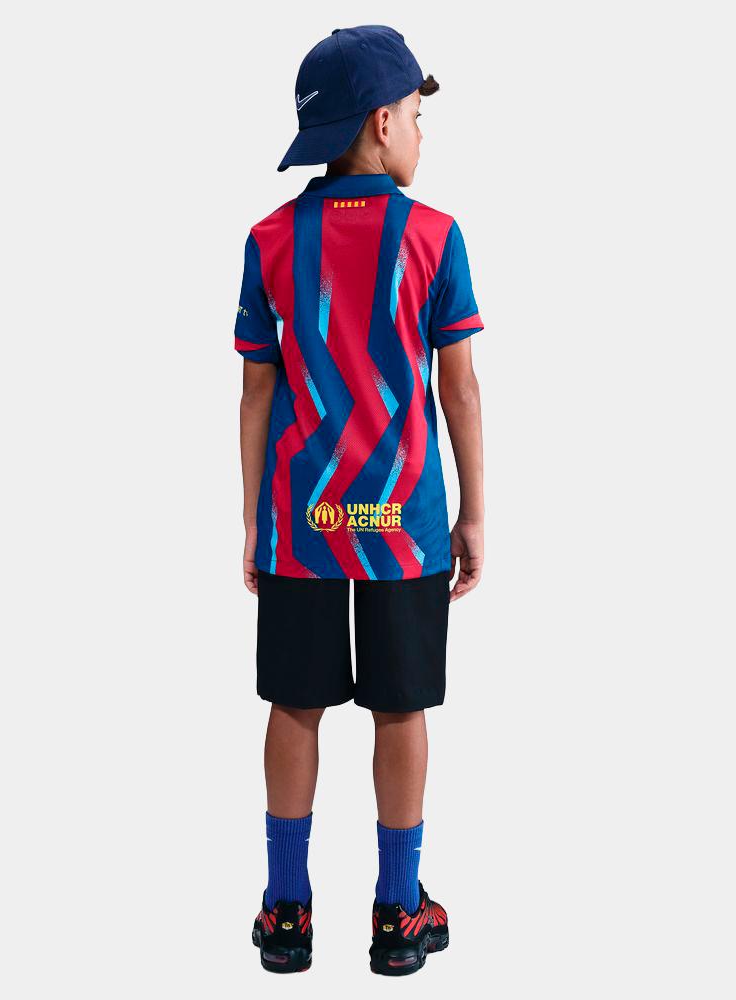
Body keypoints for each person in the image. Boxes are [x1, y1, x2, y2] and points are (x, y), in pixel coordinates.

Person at [235, 25, 485, 976]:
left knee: (295, 704)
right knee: (399, 707)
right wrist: (474, 513)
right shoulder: (435, 238)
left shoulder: (269, 241)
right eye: (416, 113)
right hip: (403, 522)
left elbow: (256, 394)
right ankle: (397, 912)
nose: (421, 130)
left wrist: (256, 523)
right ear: (382, 123)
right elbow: (460, 389)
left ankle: (286, 911)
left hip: (303, 519)